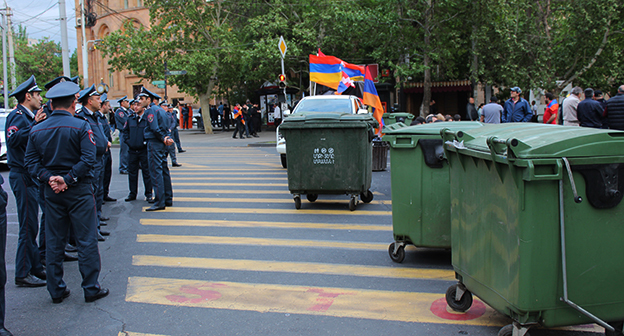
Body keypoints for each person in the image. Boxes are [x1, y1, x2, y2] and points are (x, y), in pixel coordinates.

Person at [24, 81, 109, 304]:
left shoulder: (37, 129)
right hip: (79, 189)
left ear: (51, 103)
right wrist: (68, 179)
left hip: (51, 192)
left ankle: (56, 290)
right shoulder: (81, 126)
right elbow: (89, 159)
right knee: (86, 240)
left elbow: (30, 163)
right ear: (74, 103)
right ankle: (91, 288)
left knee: (54, 241)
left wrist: (49, 178)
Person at [5, 75, 47, 287]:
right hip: (21, 174)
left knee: (32, 224)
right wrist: (33, 125)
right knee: (28, 225)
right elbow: (13, 140)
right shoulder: (18, 116)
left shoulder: (29, 116)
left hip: (29, 174)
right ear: (28, 96)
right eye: (37, 94)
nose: (41, 98)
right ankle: (22, 272)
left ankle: (35, 268)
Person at [75, 85, 110, 241]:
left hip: (100, 159)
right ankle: (92, 230)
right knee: (92, 194)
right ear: (89, 101)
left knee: (98, 193)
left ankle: (96, 226)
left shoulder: (95, 116)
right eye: (97, 98)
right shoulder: (81, 116)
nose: (100, 101)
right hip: (92, 161)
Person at [140, 87, 174, 211]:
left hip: (155, 143)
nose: (140, 101)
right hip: (161, 143)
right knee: (164, 170)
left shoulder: (151, 110)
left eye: (142, 98)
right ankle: (167, 198)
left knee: (155, 172)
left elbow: (154, 128)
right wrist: (166, 138)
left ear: (149, 99)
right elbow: (166, 127)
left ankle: (160, 201)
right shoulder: (161, 110)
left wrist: (163, 138)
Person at [122, 97, 153, 203]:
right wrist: (129, 142)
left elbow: (150, 132)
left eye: (138, 105)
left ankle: (149, 194)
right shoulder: (130, 118)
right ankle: (132, 193)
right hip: (132, 150)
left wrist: (145, 143)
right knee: (132, 173)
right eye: (134, 105)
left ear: (143, 107)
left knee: (146, 173)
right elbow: (125, 132)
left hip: (143, 150)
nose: (135, 107)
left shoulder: (147, 119)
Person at [99, 94, 116, 203]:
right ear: (103, 105)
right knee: (101, 175)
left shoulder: (102, 117)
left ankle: (105, 193)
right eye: (108, 105)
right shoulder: (97, 117)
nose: (109, 108)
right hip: (102, 150)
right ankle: (100, 197)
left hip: (107, 149)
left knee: (107, 173)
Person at [161, 102, 181, 167]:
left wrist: (170, 128)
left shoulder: (170, 114)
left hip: (170, 133)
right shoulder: (159, 114)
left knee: (172, 148)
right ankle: (163, 162)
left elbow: (173, 122)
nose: (166, 108)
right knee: (164, 150)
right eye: (165, 106)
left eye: (167, 106)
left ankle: (174, 161)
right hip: (163, 134)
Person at [115, 96, 131, 174]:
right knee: (124, 150)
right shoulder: (120, 112)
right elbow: (125, 121)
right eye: (126, 102)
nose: (128, 103)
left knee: (127, 150)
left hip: (127, 132)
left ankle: (126, 166)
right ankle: (123, 167)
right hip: (123, 132)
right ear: (122, 103)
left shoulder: (126, 111)